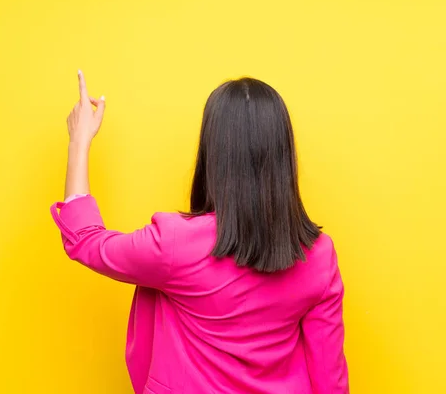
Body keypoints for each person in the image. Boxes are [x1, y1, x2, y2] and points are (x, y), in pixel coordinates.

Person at [51, 71, 348, 394]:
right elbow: (330, 381)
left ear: (213, 154)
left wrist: (79, 142)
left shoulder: (175, 244)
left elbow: (86, 240)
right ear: (282, 156)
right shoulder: (318, 255)